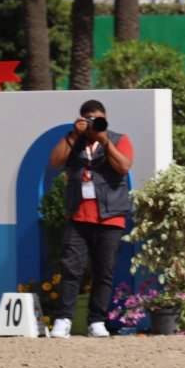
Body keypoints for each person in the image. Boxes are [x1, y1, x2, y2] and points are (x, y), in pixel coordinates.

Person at [47, 100, 134, 338]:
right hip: (78, 216)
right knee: (70, 269)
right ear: (81, 119)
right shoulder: (74, 140)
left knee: (103, 272)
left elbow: (124, 167)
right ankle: (63, 320)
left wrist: (105, 140)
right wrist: (74, 135)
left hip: (111, 217)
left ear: (105, 119)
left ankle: (97, 321)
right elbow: (54, 162)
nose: (94, 123)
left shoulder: (118, 139)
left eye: (99, 119)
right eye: (89, 119)